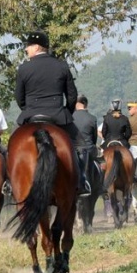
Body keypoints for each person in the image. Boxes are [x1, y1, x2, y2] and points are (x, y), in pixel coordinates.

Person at [15, 30, 91, 196]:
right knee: (81, 147)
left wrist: (29, 111)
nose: (26, 50)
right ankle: (82, 180)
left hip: (31, 115)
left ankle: (9, 181)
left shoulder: (24, 68)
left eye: (27, 47)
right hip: (58, 116)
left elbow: (19, 97)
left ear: (36, 47)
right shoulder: (62, 66)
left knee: (12, 147)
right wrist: (65, 113)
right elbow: (71, 96)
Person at [72, 95, 98, 190]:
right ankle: (101, 187)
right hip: (87, 149)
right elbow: (94, 138)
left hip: (72, 149)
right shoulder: (92, 118)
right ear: (85, 104)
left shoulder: (69, 117)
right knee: (100, 165)